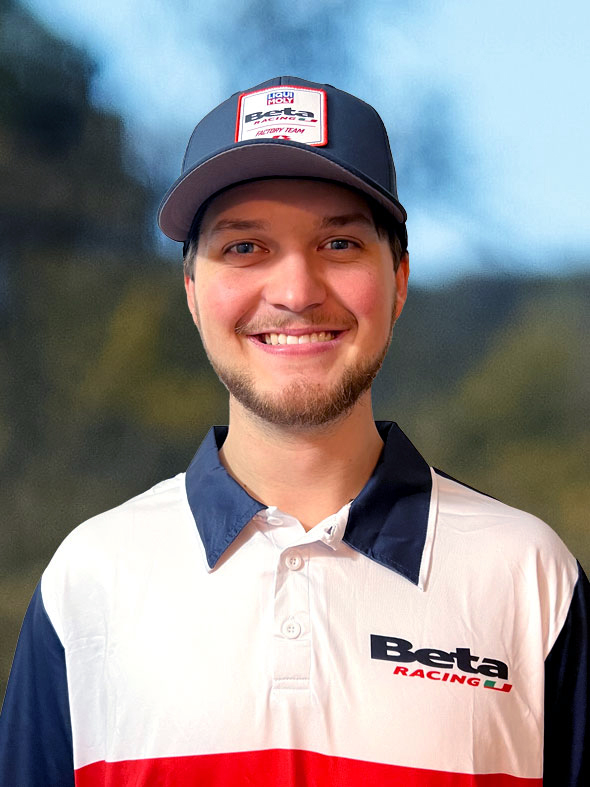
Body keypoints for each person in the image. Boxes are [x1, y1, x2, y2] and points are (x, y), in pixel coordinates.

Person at [0, 76, 587, 786]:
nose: (296, 292)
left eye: (339, 243)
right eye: (244, 247)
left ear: (399, 280)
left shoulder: (529, 576)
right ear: (192, 292)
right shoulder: (90, 578)